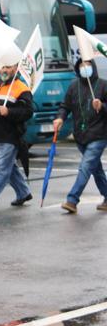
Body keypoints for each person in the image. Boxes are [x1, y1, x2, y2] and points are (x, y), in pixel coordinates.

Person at [53, 58, 107, 213]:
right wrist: (60, 118)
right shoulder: (73, 86)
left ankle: (72, 200)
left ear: (93, 67)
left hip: (99, 135)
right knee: (95, 169)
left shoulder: (103, 85)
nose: (85, 68)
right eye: (82, 65)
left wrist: (102, 106)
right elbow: (65, 106)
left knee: (85, 167)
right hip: (80, 135)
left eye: (88, 65)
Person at [0, 63, 33, 210]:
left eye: (8, 67)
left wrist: (9, 112)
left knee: (1, 168)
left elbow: (28, 112)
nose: (4, 70)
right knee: (10, 168)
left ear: (15, 69)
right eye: (2, 67)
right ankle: (23, 192)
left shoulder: (21, 88)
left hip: (10, 137)